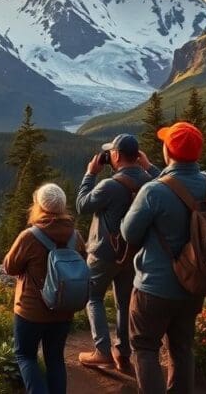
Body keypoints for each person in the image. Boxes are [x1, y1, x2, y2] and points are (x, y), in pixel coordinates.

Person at [121, 122, 206, 394]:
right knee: (182, 349)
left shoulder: (153, 191)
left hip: (154, 287)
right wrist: (156, 172)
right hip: (194, 284)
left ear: (168, 150)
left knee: (144, 348)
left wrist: (153, 177)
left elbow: (129, 233)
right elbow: (185, 193)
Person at [76, 134, 161, 374]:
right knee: (124, 302)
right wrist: (149, 166)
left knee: (93, 298)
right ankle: (123, 353)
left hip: (103, 253)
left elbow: (82, 205)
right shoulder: (150, 182)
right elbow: (168, 180)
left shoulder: (109, 185)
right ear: (137, 156)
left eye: (110, 153)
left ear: (115, 155)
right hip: (131, 254)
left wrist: (90, 173)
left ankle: (102, 351)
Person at [3, 183, 86, 394]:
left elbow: (9, 267)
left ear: (39, 206)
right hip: (63, 309)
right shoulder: (75, 237)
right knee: (55, 359)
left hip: (31, 310)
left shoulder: (30, 236)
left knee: (26, 356)